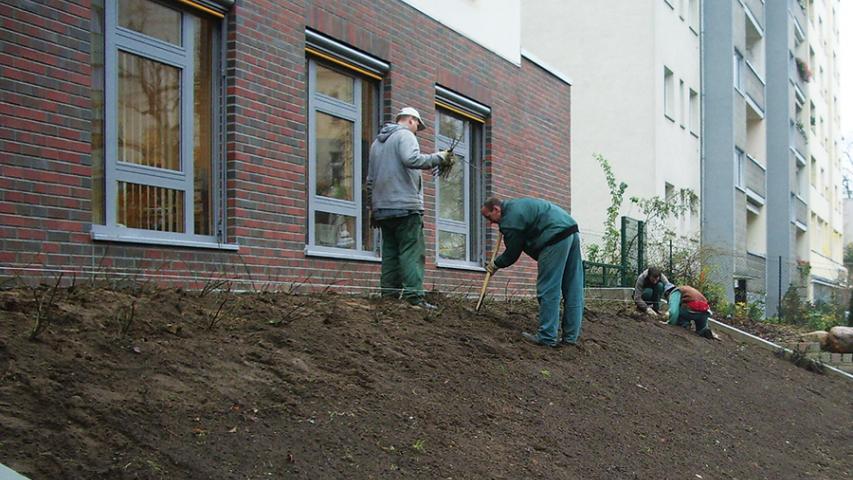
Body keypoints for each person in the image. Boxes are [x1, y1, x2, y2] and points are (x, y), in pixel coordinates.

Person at [366, 107, 455, 309]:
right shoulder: (405, 135)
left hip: (382, 209)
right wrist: (439, 157)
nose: (417, 130)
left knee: (390, 252)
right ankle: (414, 297)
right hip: (406, 207)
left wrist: (372, 207)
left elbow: (370, 180)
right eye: (417, 125)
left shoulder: (376, 144)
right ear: (411, 120)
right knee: (411, 252)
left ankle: (388, 296)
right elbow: (411, 159)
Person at [480, 197, 584, 347]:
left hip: (554, 237)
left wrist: (495, 264)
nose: (490, 223)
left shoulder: (510, 219)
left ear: (496, 209)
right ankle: (570, 338)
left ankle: (547, 337)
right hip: (571, 231)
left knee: (548, 288)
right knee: (573, 288)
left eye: (489, 217)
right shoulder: (516, 206)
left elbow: (512, 254)